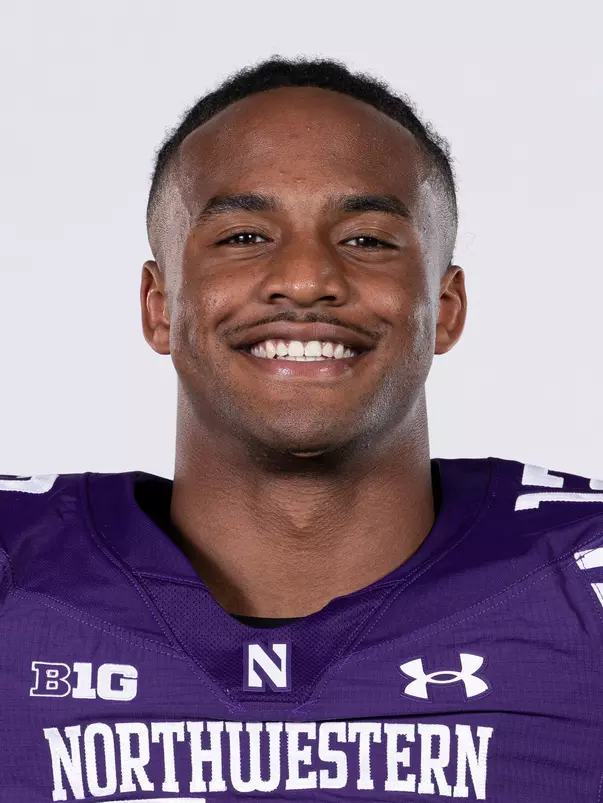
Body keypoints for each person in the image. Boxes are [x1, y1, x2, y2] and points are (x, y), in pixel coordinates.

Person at [1, 56, 602, 803]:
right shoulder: (17, 567)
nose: (306, 279)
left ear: (444, 309)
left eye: (367, 239)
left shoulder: (582, 585)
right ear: (159, 306)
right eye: (244, 236)